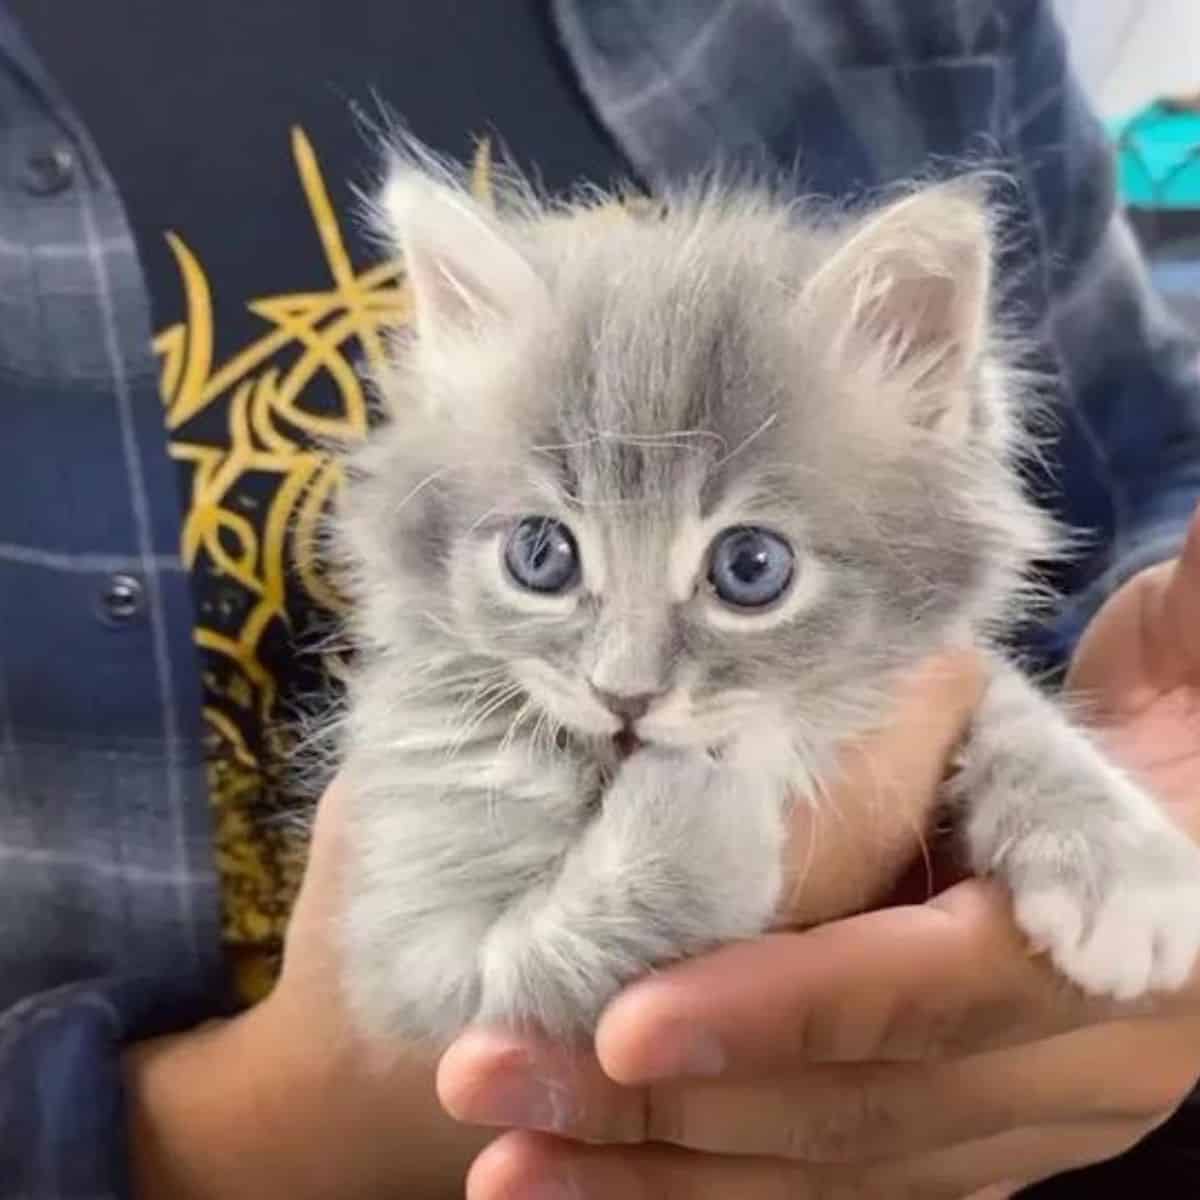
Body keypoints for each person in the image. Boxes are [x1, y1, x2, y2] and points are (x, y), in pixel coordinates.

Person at [2, 2, 1200, 1197]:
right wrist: (236, 1141)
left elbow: (1075, 553)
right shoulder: (455, 712)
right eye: (546, 557)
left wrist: (1083, 782)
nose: (626, 674)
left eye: (747, 570)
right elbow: (433, 983)